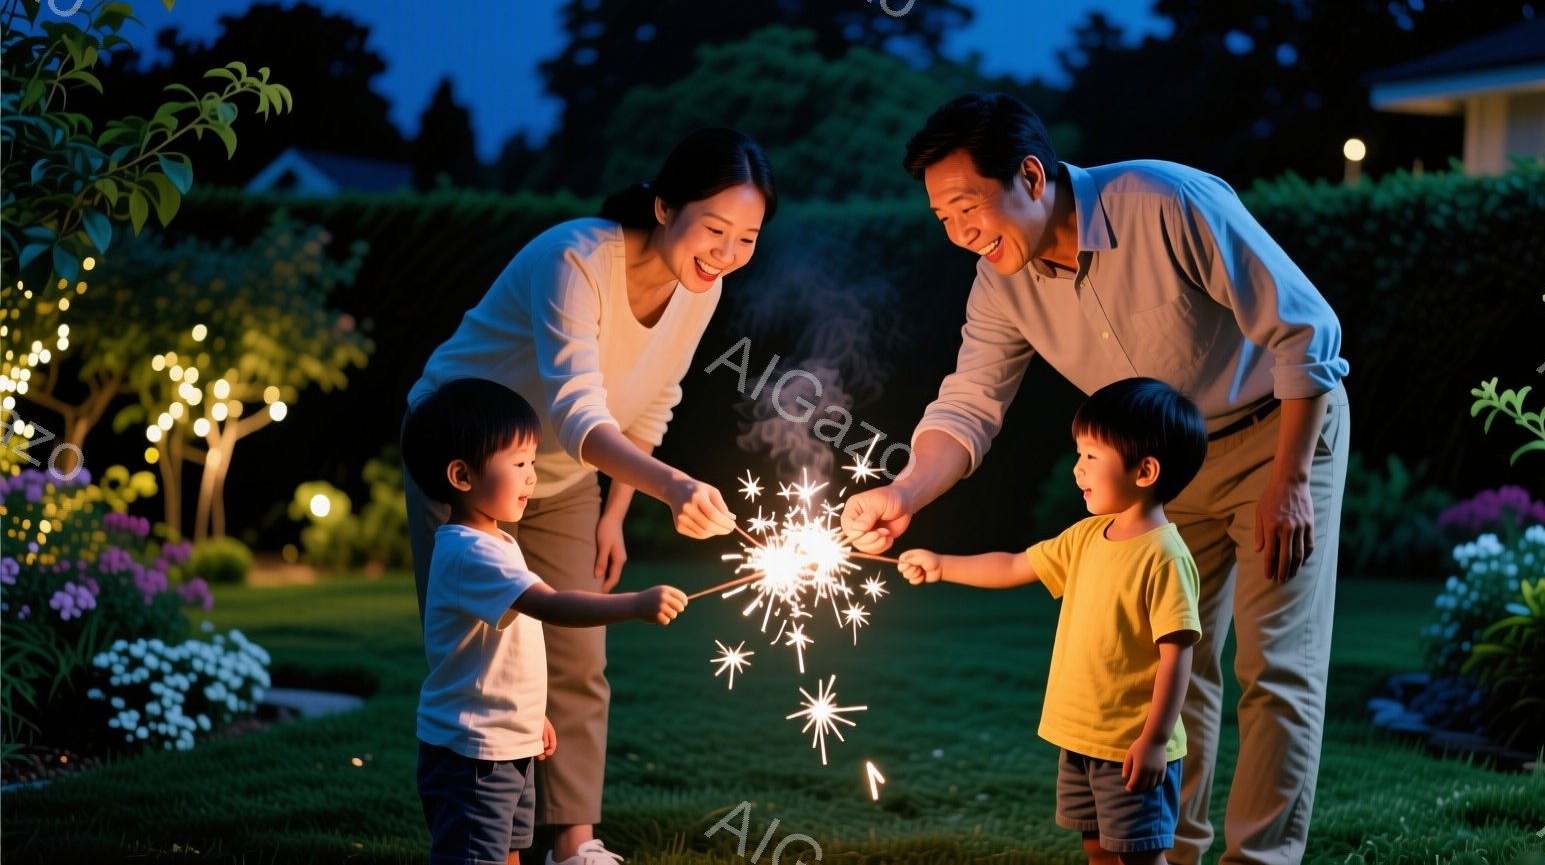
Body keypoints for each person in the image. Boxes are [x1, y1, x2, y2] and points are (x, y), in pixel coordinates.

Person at [842, 93, 1351, 865]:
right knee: (1175, 671)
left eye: (967, 208)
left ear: (1033, 177)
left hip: (1274, 433)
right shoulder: (1000, 282)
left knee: (1274, 667)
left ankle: (1262, 860)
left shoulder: (1164, 201)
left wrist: (1288, 480)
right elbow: (972, 403)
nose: (960, 235)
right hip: (1162, 476)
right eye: (943, 219)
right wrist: (904, 493)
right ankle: (1171, 852)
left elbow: (1307, 330)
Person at [404, 127, 776, 865]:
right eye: (715, 229)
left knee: (579, 655)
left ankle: (572, 842)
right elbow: (578, 411)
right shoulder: (576, 258)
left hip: (565, 474)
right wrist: (672, 486)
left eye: (747, 237)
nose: (727, 253)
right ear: (665, 206)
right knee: (484, 654)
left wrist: (615, 513)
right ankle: (477, 837)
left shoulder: (703, 288)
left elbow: (650, 402)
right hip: (464, 460)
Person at [898, 378, 1207, 865]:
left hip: (1130, 746)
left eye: (1091, 458)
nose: (1077, 469)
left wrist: (1152, 740)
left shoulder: (1164, 557)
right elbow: (1015, 565)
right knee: (1097, 846)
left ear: (1145, 471)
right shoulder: (1086, 535)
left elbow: (1177, 657)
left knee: (1141, 854)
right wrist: (942, 565)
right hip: (1079, 737)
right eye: (1078, 454)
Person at [401, 377, 688, 865]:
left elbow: (498, 659)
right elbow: (553, 607)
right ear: (462, 476)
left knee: (511, 850)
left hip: (505, 743)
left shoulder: (495, 541)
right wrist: (634, 604)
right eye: (518, 464)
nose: (532, 477)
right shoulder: (471, 555)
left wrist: (530, 716)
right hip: (473, 756)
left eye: (533, 461)